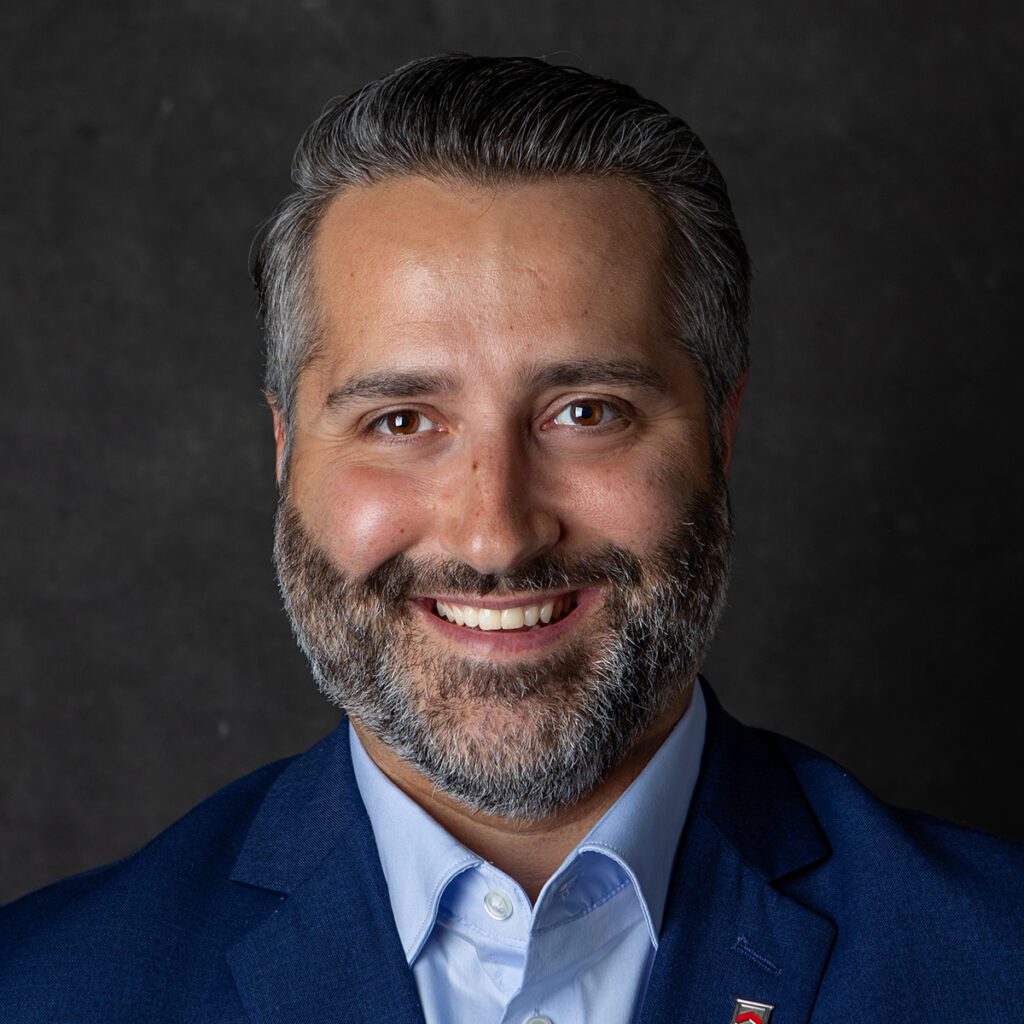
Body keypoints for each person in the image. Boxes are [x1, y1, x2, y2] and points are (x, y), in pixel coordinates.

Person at [1, 53, 1020, 1024]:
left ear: (720, 431)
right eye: (401, 421)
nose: (495, 535)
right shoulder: (44, 990)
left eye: (585, 411)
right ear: (284, 446)